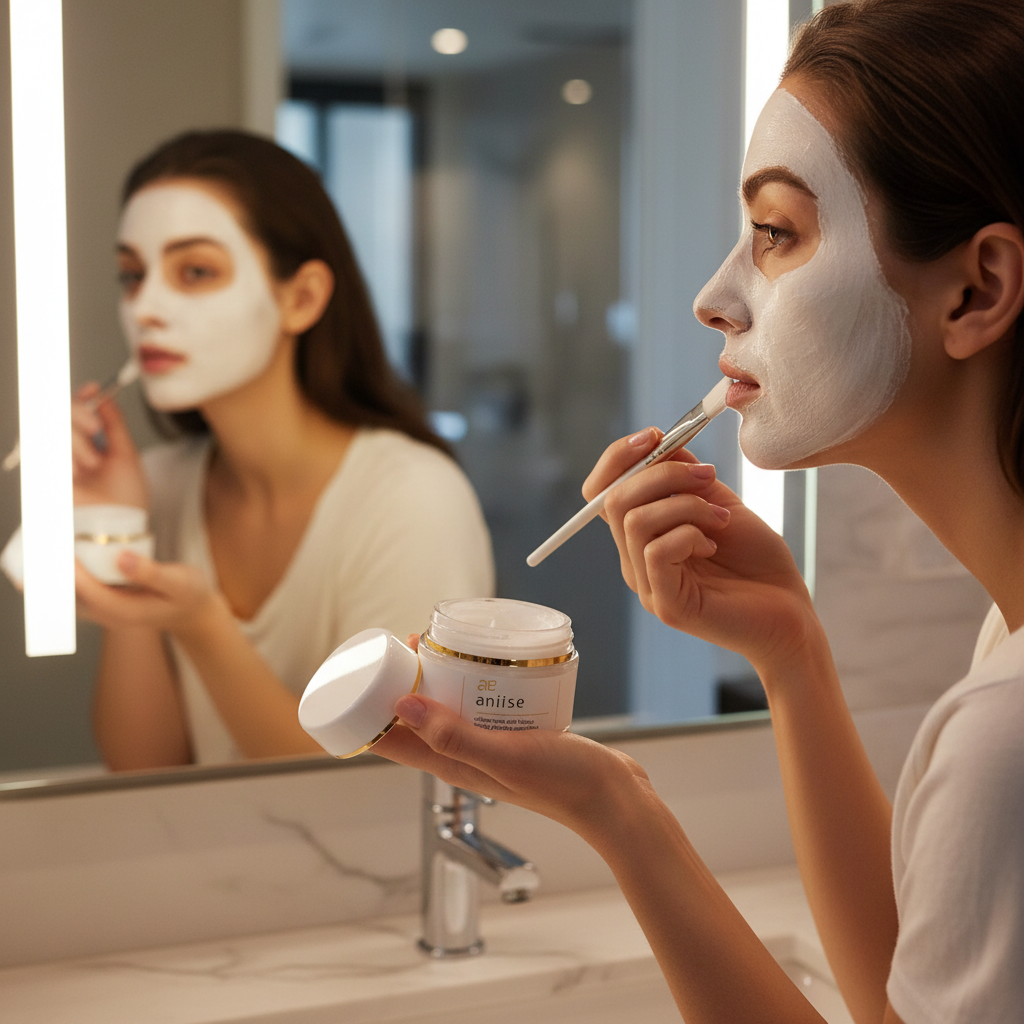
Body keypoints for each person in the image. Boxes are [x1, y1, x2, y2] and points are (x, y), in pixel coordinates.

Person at [374, 2, 1024, 1021]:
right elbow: (898, 1002)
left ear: (976, 289)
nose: (713, 296)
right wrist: (792, 654)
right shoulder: (1005, 640)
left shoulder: (1006, 732)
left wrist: (617, 811)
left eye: (775, 231)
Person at [73, 131, 494, 770]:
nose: (146, 308)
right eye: (132, 276)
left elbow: (372, 790)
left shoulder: (412, 499)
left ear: (301, 297)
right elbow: (142, 772)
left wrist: (202, 625)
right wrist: (124, 537)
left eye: (194, 271)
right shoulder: (154, 487)